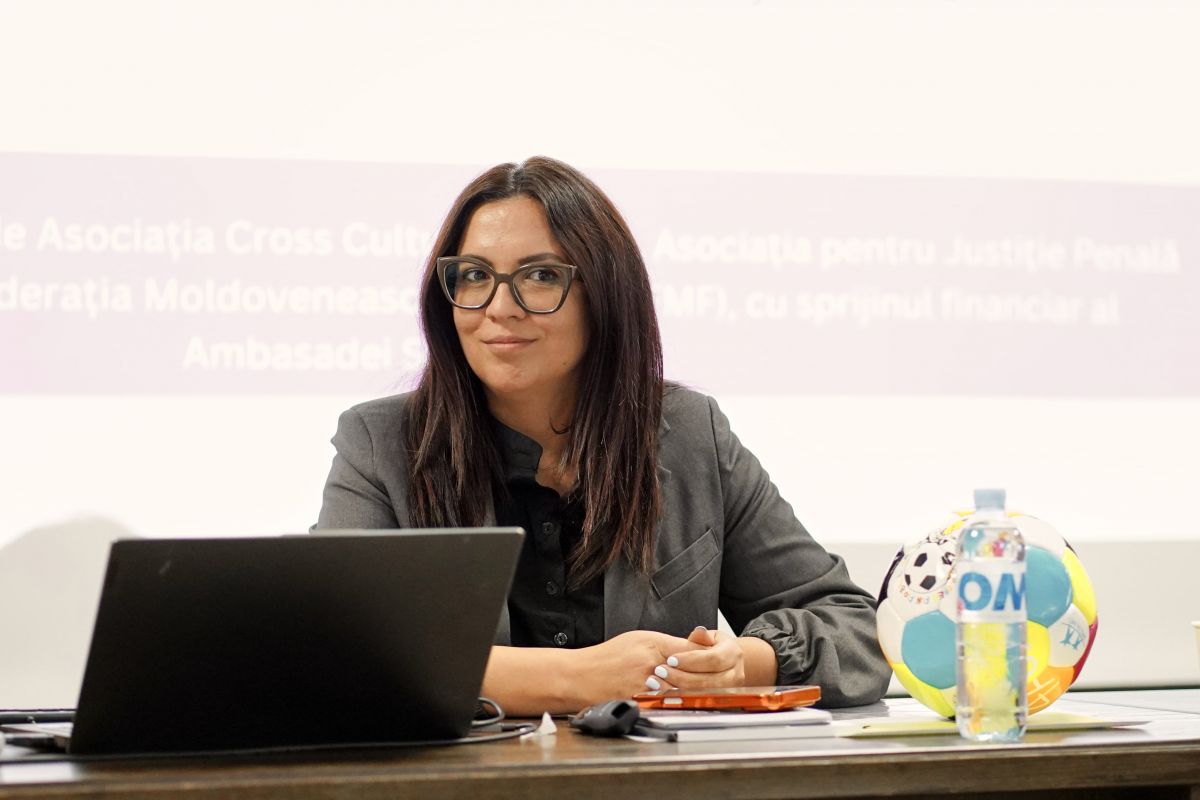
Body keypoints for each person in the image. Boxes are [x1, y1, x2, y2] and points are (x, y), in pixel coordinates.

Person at [315, 156, 891, 715]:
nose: (500, 307)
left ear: (606, 294)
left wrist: (745, 664)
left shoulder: (690, 434)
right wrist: (575, 678)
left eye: (541, 276)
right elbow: (332, 651)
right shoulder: (379, 444)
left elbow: (858, 629)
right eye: (474, 275)